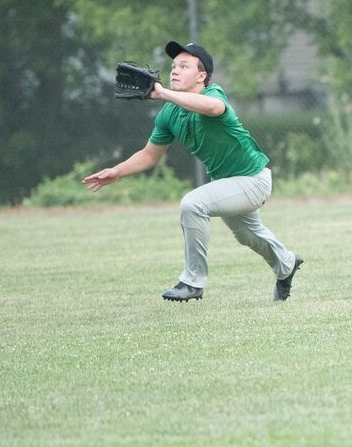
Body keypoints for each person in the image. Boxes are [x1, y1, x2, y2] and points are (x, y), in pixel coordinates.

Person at [82, 41, 303, 302]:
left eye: (184, 66)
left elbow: (212, 108)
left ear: (202, 76)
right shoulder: (168, 114)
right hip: (227, 184)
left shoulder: (214, 94)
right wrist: (116, 171)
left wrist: (163, 93)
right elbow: (149, 155)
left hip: (252, 179)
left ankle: (193, 282)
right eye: (174, 66)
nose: (175, 70)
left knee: (193, 204)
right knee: (248, 235)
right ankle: (286, 264)